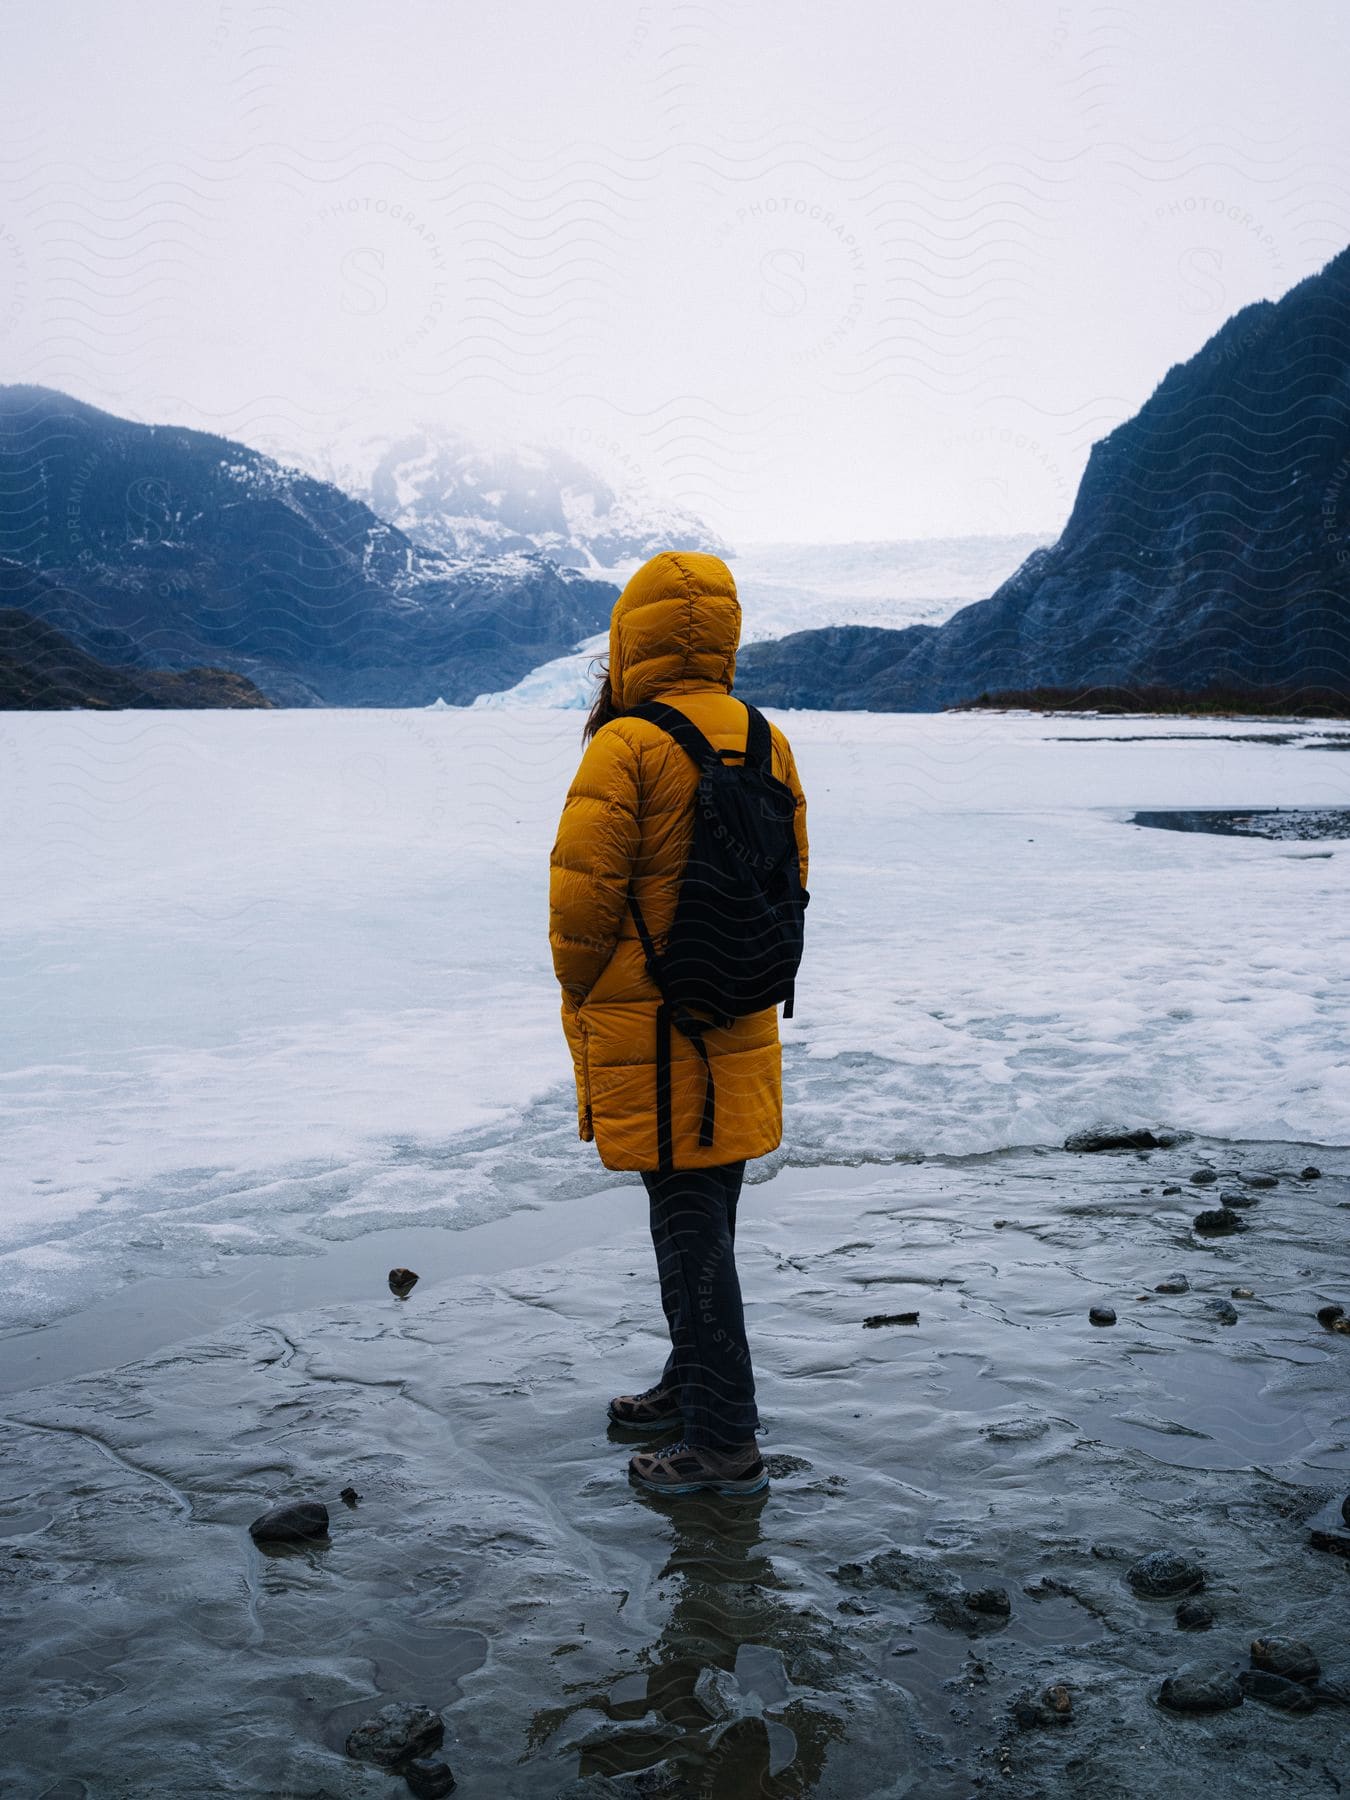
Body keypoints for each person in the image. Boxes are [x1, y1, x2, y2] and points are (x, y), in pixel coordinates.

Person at [549, 550, 809, 1498]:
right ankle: (687, 1386)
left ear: (631, 639)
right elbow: (796, 884)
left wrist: (587, 996)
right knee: (705, 1221)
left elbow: (581, 911)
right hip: (736, 1016)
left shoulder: (625, 745)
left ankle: (724, 1444)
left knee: (688, 1233)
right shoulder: (763, 738)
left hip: (658, 1037)